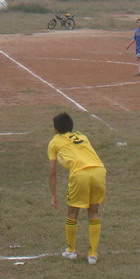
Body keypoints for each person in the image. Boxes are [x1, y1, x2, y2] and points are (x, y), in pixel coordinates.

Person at [47, 111, 106, 265]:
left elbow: (52, 171)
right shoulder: (82, 136)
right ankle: (92, 254)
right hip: (99, 170)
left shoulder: (54, 142)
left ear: (56, 129)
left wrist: (53, 195)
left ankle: (71, 250)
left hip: (80, 174)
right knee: (93, 212)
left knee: (72, 213)